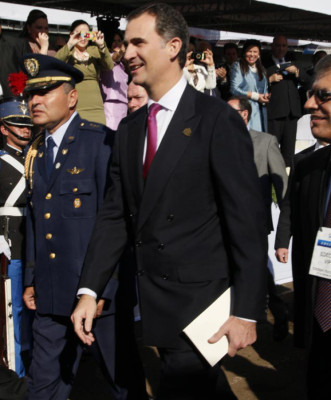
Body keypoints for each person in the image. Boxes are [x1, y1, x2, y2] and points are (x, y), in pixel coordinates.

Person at [72, 3, 267, 399]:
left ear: (174, 46)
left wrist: (246, 310)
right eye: (125, 43)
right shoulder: (128, 130)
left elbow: (246, 221)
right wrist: (90, 290)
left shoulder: (216, 120)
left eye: (138, 42)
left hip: (201, 305)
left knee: (182, 387)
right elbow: (115, 215)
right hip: (153, 300)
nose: (127, 53)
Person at [20, 54, 127, 399]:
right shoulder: (36, 151)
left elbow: (116, 221)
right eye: (32, 95)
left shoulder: (100, 143)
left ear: (72, 97)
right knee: (43, 385)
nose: (35, 101)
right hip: (50, 293)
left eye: (46, 92)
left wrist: (105, 289)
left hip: (95, 296)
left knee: (119, 381)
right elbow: (38, 221)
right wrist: (32, 279)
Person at [274, 55, 331, 399]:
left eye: (322, 95)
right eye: (310, 94)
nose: (309, 104)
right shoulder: (310, 166)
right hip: (321, 322)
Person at [228, 95, 289, 341]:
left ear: (244, 114)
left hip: (254, 222)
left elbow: (281, 184)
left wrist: (286, 226)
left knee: (256, 271)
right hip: (223, 221)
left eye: (230, 110)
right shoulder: (218, 141)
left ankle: (278, 311)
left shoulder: (265, 142)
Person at [0, 96, 33, 376]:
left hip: (37, 246)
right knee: (15, 317)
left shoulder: (40, 157)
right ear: (3, 128)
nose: (25, 129)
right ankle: (17, 375)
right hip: (12, 246)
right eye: (18, 125)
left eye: (27, 124)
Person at [56, 19, 113, 125]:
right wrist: (69, 44)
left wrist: (102, 46)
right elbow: (56, 62)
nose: (83, 37)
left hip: (96, 106)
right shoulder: (68, 53)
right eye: (80, 34)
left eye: (87, 34)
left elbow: (109, 66)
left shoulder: (94, 50)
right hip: (77, 105)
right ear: (72, 35)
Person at [263, 35, 302, 167]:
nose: (281, 48)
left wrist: (296, 72)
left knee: (289, 153)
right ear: (272, 46)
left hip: (291, 114)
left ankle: (285, 181)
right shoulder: (264, 64)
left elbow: (308, 80)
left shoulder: (293, 62)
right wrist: (270, 78)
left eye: (284, 45)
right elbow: (257, 83)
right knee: (271, 149)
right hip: (274, 113)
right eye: (278, 45)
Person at [230, 39, 269, 132]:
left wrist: (265, 97)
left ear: (259, 54)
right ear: (244, 53)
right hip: (246, 110)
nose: (252, 55)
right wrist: (255, 96)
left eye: (255, 52)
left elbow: (265, 89)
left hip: (261, 112)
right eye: (249, 51)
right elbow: (234, 89)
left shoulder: (262, 70)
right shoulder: (238, 66)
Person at [100, 31, 129, 130]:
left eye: (119, 41)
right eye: (114, 41)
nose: (116, 43)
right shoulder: (108, 58)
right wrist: (121, 51)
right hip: (110, 103)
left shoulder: (124, 64)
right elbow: (115, 57)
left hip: (123, 104)